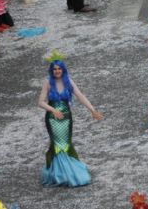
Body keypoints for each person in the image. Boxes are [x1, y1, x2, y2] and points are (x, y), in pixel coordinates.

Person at [38, 53, 103, 187]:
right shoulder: (47, 82)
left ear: (63, 69)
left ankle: (70, 172)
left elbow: (80, 96)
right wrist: (53, 110)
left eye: (59, 69)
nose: (57, 71)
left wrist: (92, 110)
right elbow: (40, 102)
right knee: (57, 145)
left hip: (67, 119)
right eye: (55, 69)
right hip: (52, 119)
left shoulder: (68, 81)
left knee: (66, 143)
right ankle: (60, 174)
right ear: (52, 70)